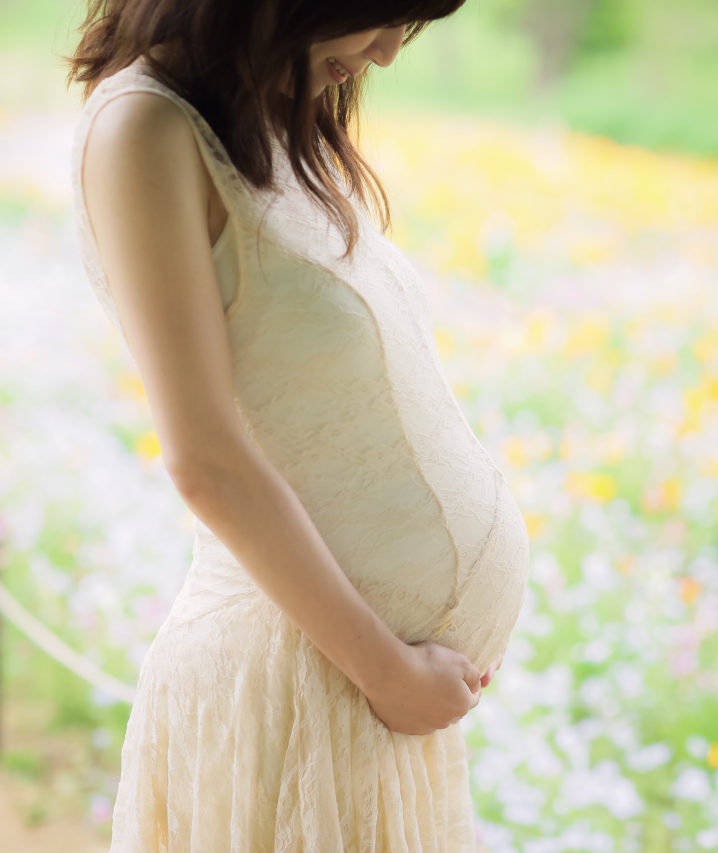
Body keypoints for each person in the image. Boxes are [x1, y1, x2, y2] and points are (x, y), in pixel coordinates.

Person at [64, 2, 531, 849]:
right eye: (383, 15)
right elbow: (205, 458)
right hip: (301, 691)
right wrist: (389, 672)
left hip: (355, 695)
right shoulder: (144, 130)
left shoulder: (265, 116)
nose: (387, 52)